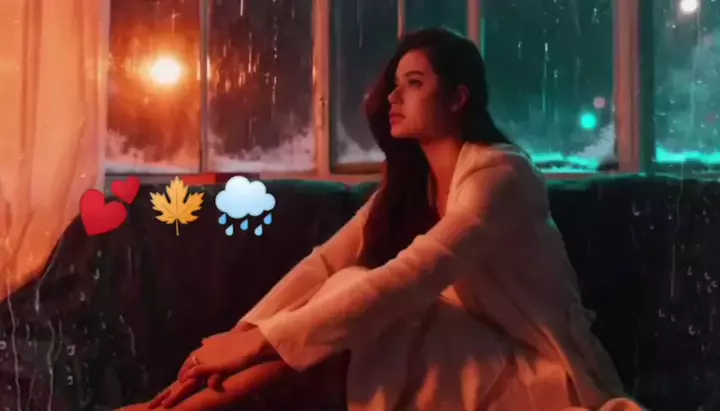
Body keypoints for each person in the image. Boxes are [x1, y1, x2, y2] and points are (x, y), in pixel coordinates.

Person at [120, 28, 644, 411]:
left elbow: (414, 275)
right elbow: (325, 264)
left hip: (544, 378)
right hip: (465, 359)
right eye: (394, 84)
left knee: (367, 294)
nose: (393, 96)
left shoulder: (501, 175)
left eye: (413, 83)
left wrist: (257, 344)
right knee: (345, 282)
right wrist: (240, 334)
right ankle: (173, 406)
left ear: (458, 98)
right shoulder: (413, 185)